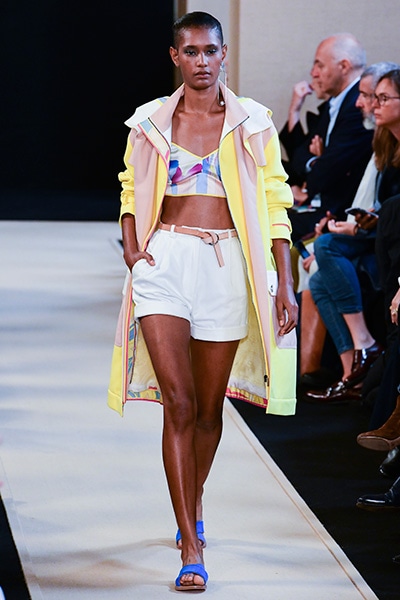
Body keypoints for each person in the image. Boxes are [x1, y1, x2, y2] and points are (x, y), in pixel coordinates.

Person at [107, 11, 298, 592]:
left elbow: (275, 201)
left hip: (227, 267)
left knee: (211, 410)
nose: (201, 61)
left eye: (210, 51)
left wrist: (286, 283)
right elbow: (130, 186)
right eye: (190, 52)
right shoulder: (149, 122)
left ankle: (192, 502)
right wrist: (133, 248)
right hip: (164, 263)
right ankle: (190, 544)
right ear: (175, 57)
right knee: (180, 403)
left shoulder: (253, 122)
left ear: (223, 54)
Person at [302, 63, 400, 402]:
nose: (371, 105)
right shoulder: (384, 141)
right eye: (373, 97)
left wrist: (358, 225)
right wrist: (358, 222)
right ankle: (352, 372)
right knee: (318, 278)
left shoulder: (378, 138)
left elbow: (389, 210)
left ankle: (365, 345)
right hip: (379, 237)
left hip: (388, 246)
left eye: (380, 98)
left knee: (327, 246)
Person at [287, 34, 374, 242]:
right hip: (319, 203)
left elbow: (323, 176)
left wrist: (318, 164)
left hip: (336, 212)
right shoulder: (334, 103)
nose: (313, 73)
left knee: (266, 224)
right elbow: (299, 157)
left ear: (343, 66)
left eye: (320, 65)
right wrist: (317, 160)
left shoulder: (356, 108)